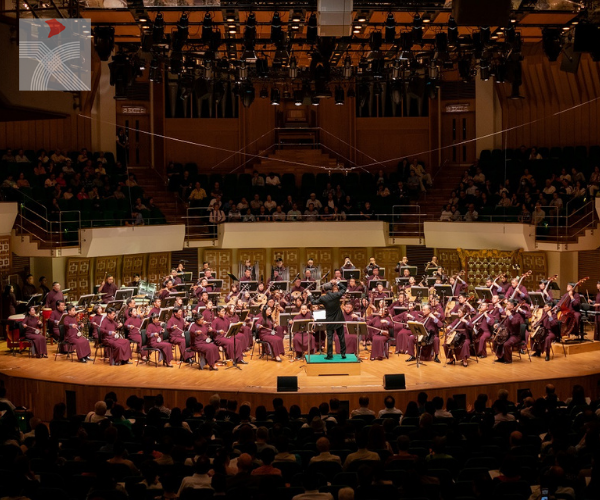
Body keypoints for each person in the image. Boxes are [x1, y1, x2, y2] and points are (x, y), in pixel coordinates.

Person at [307, 278, 347, 360]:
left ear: (324, 290)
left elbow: (313, 302)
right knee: (341, 337)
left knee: (329, 337)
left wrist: (309, 294)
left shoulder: (323, 298)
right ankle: (343, 354)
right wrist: (337, 282)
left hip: (330, 320)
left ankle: (329, 355)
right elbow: (344, 289)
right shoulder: (336, 295)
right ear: (331, 288)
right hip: (339, 318)